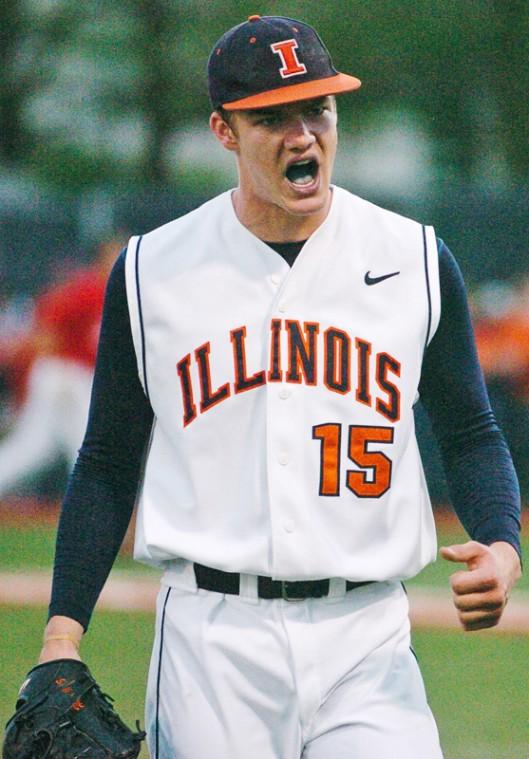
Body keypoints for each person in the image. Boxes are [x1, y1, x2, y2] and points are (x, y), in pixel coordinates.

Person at [36, 15, 521, 759]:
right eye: (271, 117)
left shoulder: (415, 259)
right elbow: (106, 460)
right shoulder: (152, 270)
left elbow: (470, 430)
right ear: (223, 130)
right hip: (211, 640)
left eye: (317, 109)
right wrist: (62, 630)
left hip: (368, 638)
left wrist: (501, 542)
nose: (302, 135)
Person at [0, 237, 122, 499]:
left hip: (69, 377)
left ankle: (95, 503)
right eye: (115, 251)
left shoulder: (111, 288)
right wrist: (50, 375)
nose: (120, 256)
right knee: (92, 450)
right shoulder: (89, 287)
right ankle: (96, 506)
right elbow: (46, 330)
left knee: (34, 449)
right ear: (101, 256)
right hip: (65, 376)